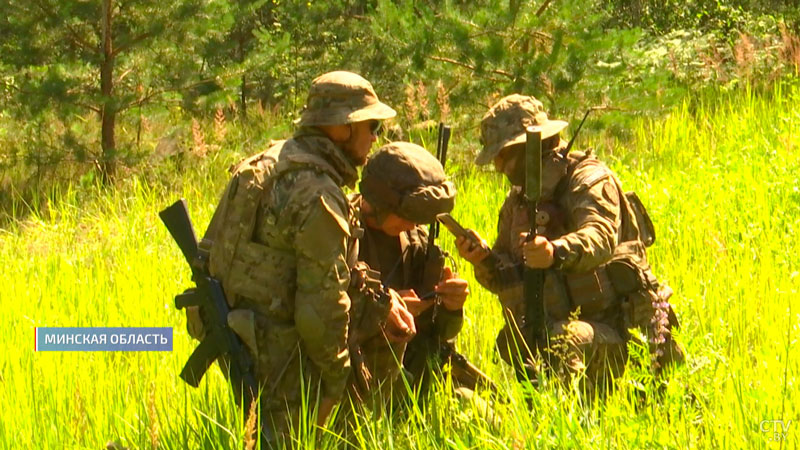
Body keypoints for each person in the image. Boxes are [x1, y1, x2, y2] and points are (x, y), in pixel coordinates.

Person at [197, 71, 416, 447]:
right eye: (372, 125)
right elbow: (321, 309)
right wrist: (335, 382)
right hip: (281, 350)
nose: (376, 137)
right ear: (342, 129)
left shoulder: (265, 162)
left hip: (240, 328)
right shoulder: (317, 193)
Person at [455, 94, 684, 394]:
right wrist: (483, 260)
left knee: (565, 340)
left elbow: (600, 237)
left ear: (529, 146)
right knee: (523, 340)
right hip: (561, 329)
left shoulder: (588, 179)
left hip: (622, 331)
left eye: (503, 156)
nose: (498, 167)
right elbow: (509, 277)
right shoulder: (518, 202)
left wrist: (555, 251)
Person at [350, 142, 470, 405]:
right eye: (408, 215)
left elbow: (438, 334)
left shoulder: (415, 239)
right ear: (380, 202)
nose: (415, 224)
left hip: (416, 374)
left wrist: (451, 307)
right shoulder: (341, 234)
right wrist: (381, 309)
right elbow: (323, 317)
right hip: (355, 379)